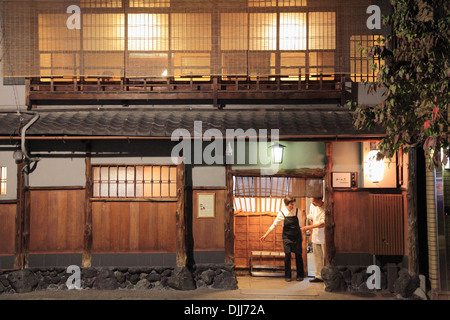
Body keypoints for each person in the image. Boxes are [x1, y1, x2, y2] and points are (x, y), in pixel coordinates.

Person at [260, 197, 304, 282]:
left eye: (293, 204)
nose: (293, 206)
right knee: (287, 255)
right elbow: (274, 225)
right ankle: (288, 276)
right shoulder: (282, 213)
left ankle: (300, 275)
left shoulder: (297, 211)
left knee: (298, 255)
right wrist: (265, 235)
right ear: (286, 204)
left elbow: (300, 225)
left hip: (297, 236)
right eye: (291, 204)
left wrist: (302, 237)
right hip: (287, 237)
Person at [301, 197, 325, 283]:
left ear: (320, 200)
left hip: (324, 235)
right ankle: (318, 276)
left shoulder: (326, 207)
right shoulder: (312, 205)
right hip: (315, 234)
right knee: (317, 256)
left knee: (325, 257)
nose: (313, 204)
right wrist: (311, 232)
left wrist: (309, 227)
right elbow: (311, 218)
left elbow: (322, 223)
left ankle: (326, 276)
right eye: (312, 202)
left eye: (314, 202)